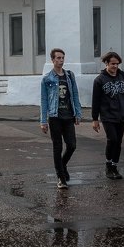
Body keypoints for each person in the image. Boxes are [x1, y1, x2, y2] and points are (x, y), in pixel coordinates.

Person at [40, 48, 82, 189]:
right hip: (55, 117)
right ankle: (60, 177)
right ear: (52, 60)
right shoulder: (47, 78)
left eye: (62, 58)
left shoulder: (70, 75)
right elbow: (44, 100)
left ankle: (62, 165)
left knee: (72, 145)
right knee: (57, 147)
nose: (61, 60)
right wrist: (43, 121)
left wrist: (78, 113)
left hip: (69, 116)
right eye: (58, 58)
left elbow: (75, 95)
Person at [90, 51, 124, 179]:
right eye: (113, 64)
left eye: (117, 64)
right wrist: (94, 119)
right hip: (107, 115)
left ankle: (115, 167)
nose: (115, 66)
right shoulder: (99, 80)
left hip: (121, 114)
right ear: (106, 63)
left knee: (118, 142)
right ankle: (108, 165)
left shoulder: (123, 76)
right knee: (112, 139)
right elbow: (95, 100)